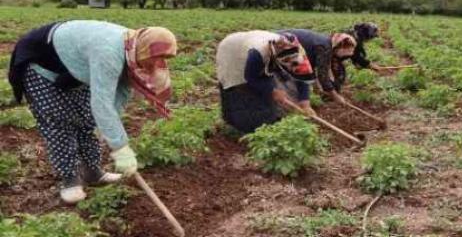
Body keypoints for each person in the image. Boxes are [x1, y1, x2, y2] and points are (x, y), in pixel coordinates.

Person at [8, 21, 177, 203]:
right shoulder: (109, 53)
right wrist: (121, 148)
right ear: (144, 50)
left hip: (74, 67)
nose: (155, 63)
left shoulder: (132, 49)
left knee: (87, 120)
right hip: (41, 63)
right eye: (154, 57)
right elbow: (102, 102)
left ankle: (92, 172)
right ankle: (70, 179)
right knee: (60, 122)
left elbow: (119, 94)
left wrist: (106, 128)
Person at [216, 31, 315, 134]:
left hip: (252, 47)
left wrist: (305, 102)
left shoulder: (297, 51)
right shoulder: (258, 53)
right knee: (239, 90)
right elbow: (251, 78)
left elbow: (303, 75)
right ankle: (234, 126)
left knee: (266, 96)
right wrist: (272, 91)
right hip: (232, 51)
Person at [280, 29, 357, 103]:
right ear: (340, 46)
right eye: (349, 50)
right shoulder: (325, 48)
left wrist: (317, 87)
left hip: (284, 42)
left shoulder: (326, 43)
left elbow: (311, 67)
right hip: (282, 44)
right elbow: (323, 76)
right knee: (292, 80)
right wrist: (335, 96)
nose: (351, 53)